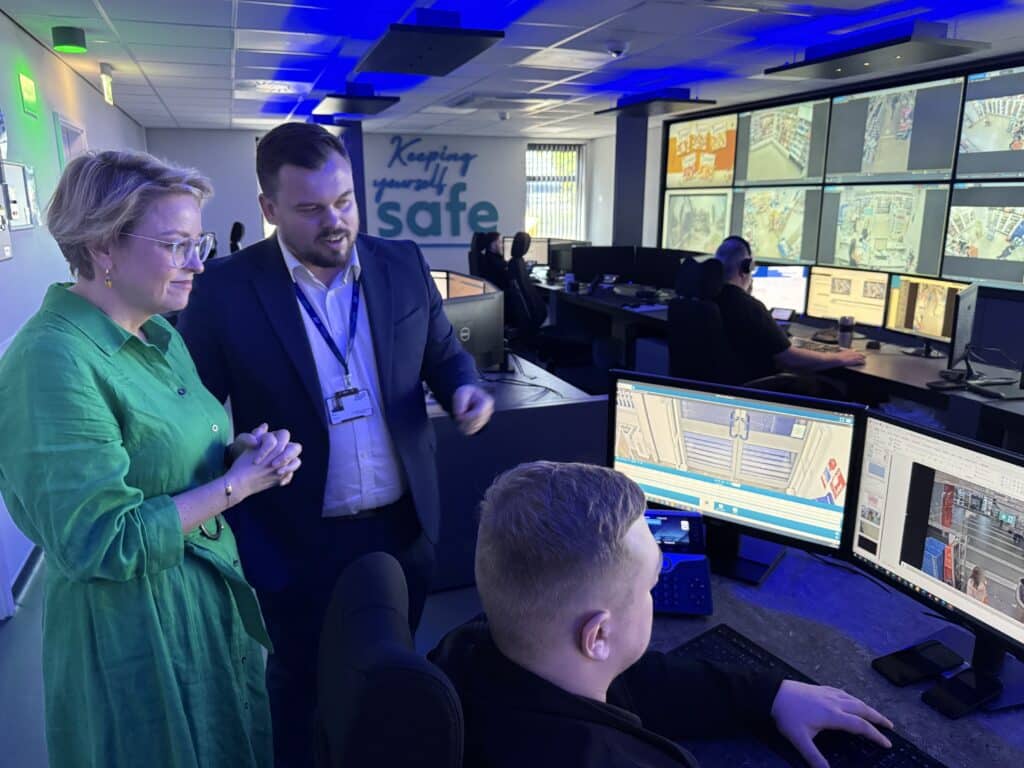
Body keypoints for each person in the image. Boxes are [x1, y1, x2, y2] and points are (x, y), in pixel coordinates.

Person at [176, 121, 494, 767]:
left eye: (345, 201)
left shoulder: (401, 263)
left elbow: (443, 352)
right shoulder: (224, 289)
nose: (335, 221)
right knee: (301, 687)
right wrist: (233, 454)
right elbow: (192, 412)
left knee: (393, 683)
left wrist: (465, 386)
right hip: (296, 532)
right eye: (311, 208)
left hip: (403, 528)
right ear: (269, 208)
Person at [0, 150, 304, 767]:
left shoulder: (159, 333)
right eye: (175, 246)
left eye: (199, 243)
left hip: (200, 603)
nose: (198, 263)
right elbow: (101, 539)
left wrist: (237, 456)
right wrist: (238, 486)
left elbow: (170, 456)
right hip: (134, 628)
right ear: (103, 247)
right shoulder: (51, 361)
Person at [433, 461, 894, 768]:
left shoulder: (465, 651)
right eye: (651, 586)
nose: (654, 597)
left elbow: (636, 682)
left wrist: (771, 694)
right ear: (598, 636)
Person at [713, 235, 865, 383]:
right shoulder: (748, 306)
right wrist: (839, 358)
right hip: (757, 389)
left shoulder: (707, 298)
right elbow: (790, 360)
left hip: (718, 387)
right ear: (745, 268)